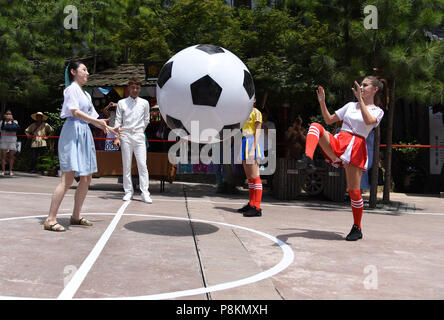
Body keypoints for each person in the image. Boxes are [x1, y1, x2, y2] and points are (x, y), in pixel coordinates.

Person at [297, 76, 384, 241]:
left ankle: (357, 227)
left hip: (357, 147)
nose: (362, 87)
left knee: (354, 191)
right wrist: (322, 102)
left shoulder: (377, 111)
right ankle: (308, 158)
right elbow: (329, 119)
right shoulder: (351, 106)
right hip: (340, 140)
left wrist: (361, 101)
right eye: (361, 85)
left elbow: (369, 121)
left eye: (365, 85)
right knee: (316, 126)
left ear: (375, 89)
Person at [44, 61, 121, 232]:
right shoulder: (71, 89)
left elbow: (94, 118)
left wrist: (111, 128)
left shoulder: (86, 94)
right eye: (84, 70)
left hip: (85, 133)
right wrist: (98, 122)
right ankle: (50, 219)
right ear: (73, 71)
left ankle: (76, 216)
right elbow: (75, 112)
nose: (87, 73)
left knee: (87, 178)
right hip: (72, 132)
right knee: (68, 178)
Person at [113, 77, 152, 203]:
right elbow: (118, 121)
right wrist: (117, 137)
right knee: (127, 165)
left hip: (139, 135)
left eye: (137, 88)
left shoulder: (145, 103)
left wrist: (140, 130)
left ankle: (145, 192)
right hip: (125, 135)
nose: (135, 90)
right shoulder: (121, 103)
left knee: (142, 164)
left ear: (140, 89)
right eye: (133, 87)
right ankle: (128, 191)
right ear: (128, 88)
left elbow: (147, 119)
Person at [237, 102, 264, 217]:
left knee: (255, 176)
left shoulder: (256, 113)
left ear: (254, 100)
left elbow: (258, 132)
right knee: (249, 178)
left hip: (252, 142)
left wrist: (253, 149)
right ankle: (252, 204)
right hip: (244, 142)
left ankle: (257, 207)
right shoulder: (243, 113)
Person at [0, 110, 20, 176]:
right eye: (7, 114)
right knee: (3, 156)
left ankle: (10, 171)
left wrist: (12, 121)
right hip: (4, 140)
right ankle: (3, 170)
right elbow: (3, 128)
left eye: (10, 114)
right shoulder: (1, 122)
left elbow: (15, 128)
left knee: (11, 156)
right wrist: (4, 121)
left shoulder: (15, 122)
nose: (8, 115)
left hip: (12, 140)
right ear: (5, 115)